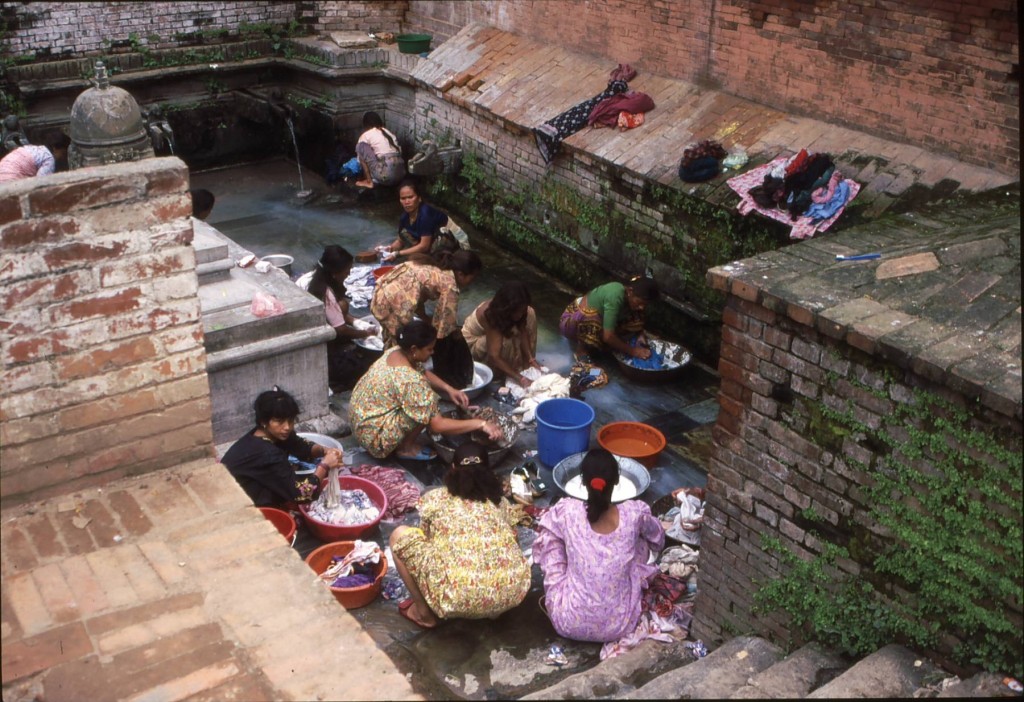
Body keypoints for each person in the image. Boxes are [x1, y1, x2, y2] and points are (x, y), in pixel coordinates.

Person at [389, 441, 531, 628]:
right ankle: (494, 610)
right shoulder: (501, 503)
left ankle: (423, 614)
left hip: (457, 597)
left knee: (399, 535)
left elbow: (427, 538)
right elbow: (513, 538)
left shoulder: (436, 498)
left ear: (453, 468)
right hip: (514, 591)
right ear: (488, 470)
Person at [532, 448, 664, 642]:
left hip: (568, 621)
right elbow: (658, 539)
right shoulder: (634, 514)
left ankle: (563, 591)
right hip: (619, 625)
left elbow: (545, 528)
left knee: (552, 535)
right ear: (617, 481)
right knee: (642, 539)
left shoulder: (568, 511)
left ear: (583, 482)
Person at [349, 319, 504, 461]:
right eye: (429, 349)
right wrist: (481, 424)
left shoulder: (396, 351)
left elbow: (421, 371)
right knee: (427, 407)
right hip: (374, 439)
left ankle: (401, 440)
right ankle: (406, 449)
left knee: (424, 402)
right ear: (414, 349)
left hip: (360, 420)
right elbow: (437, 425)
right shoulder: (412, 382)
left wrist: (449, 389)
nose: (433, 353)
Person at [370, 248, 481, 388]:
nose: (472, 281)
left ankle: (386, 372)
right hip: (392, 304)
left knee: (393, 342)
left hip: (381, 295)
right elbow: (444, 327)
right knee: (403, 347)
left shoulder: (435, 265)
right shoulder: (450, 284)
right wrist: (447, 344)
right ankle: (398, 383)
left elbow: (416, 295)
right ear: (461, 274)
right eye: (473, 277)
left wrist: (426, 319)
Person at [221, 387, 343, 507]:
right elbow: (301, 493)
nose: (287, 427)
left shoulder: (270, 433)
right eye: (279, 421)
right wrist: (324, 465)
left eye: (290, 421)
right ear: (264, 421)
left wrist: (324, 450)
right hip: (231, 502)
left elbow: (301, 445)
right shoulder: (266, 453)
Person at [302, 245, 377, 391]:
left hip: (313, 325)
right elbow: (340, 329)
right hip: (317, 342)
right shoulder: (325, 293)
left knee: (342, 305)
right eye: (347, 271)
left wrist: (356, 321)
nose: (348, 274)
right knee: (365, 367)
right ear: (335, 273)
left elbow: (335, 313)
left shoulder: (311, 277)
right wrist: (365, 333)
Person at [461, 281, 542, 388]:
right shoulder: (491, 314)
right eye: (517, 311)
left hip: (498, 333)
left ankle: (525, 367)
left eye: (522, 311)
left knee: (530, 314)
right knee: (507, 338)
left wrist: (531, 359)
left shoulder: (522, 311)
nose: (519, 315)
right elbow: (494, 355)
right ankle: (503, 373)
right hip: (472, 345)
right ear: (507, 308)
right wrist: (520, 379)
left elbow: (523, 331)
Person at [559, 275, 659, 361]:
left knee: (638, 316)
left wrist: (639, 334)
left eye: (645, 305)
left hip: (598, 320)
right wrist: (633, 351)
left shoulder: (629, 297)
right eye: (640, 302)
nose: (642, 307)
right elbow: (608, 337)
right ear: (630, 291)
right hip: (572, 322)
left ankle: (602, 343)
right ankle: (582, 351)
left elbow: (637, 318)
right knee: (591, 317)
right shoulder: (615, 295)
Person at [377, 179, 456, 260]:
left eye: (410, 197)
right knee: (404, 233)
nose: (407, 202)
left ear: (419, 198)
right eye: (403, 198)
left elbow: (424, 246)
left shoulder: (425, 214)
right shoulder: (404, 217)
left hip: (453, 241)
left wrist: (398, 254)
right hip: (431, 239)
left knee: (418, 259)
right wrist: (390, 249)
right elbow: (401, 240)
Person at [354, 111, 406, 189]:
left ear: (365, 124)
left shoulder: (366, 135)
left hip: (385, 176)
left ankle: (369, 182)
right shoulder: (389, 133)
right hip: (401, 175)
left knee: (360, 146)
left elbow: (359, 161)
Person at [0, 132, 70, 182]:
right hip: (10, 180)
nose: (62, 157)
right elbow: (41, 184)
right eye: (63, 153)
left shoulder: (34, 149)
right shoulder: (49, 158)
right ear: (55, 148)